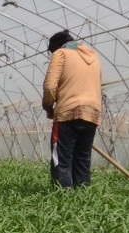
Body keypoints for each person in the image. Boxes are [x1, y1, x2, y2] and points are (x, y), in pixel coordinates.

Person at [42, 30, 103, 188]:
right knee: (82, 158)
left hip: (67, 113)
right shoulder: (93, 57)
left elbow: (50, 86)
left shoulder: (61, 53)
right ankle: (82, 197)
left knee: (61, 159)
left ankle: (63, 198)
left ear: (56, 46)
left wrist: (48, 106)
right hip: (92, 113)